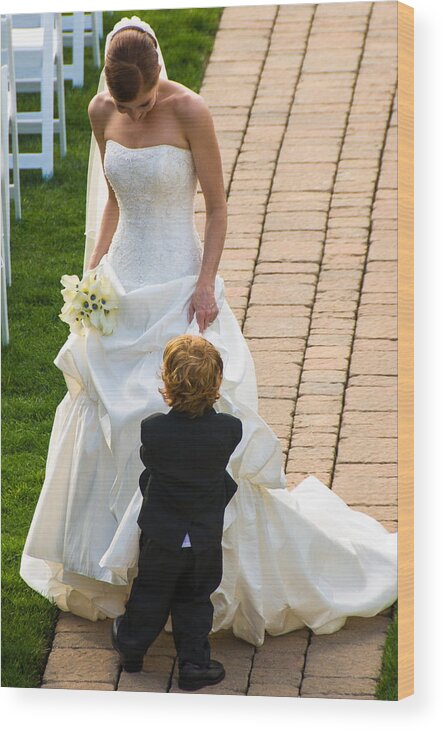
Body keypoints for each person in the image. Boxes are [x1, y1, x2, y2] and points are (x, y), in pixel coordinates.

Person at [20, 16, 397, 645]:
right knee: (103, 409)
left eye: (140, 104)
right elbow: (113, 197)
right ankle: (113, 572)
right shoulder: (101, 110)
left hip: (179, 282)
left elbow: (218, 208)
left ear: (157, 79)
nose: (132, 115)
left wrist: (204, 285)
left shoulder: (192, 112)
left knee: (177, 410)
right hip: (122, 283)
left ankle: (200, 574)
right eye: (123, 105)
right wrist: (95, 268)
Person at [112, 334, 241, 691]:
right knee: (196, 600)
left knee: (150, 593)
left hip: (161, 536)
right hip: (203, 538)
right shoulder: (229, 430)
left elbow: (149, 466)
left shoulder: (154, 430)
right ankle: (194, 665)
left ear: (166, 382)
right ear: (216, 382)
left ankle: (132, 649)